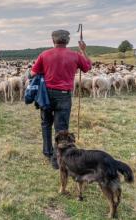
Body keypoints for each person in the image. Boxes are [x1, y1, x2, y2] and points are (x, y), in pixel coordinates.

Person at [30, 29, 92, 169]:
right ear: (68, 41)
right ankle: (57, 158)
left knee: (46, 123)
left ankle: (47, 152)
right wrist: (83, 50)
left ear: (53, 40)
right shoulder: (75, 55)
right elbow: (87, 67)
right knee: (62, 127)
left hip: (46, 94)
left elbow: (33, 73)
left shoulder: (44, 55)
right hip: (64, 95)